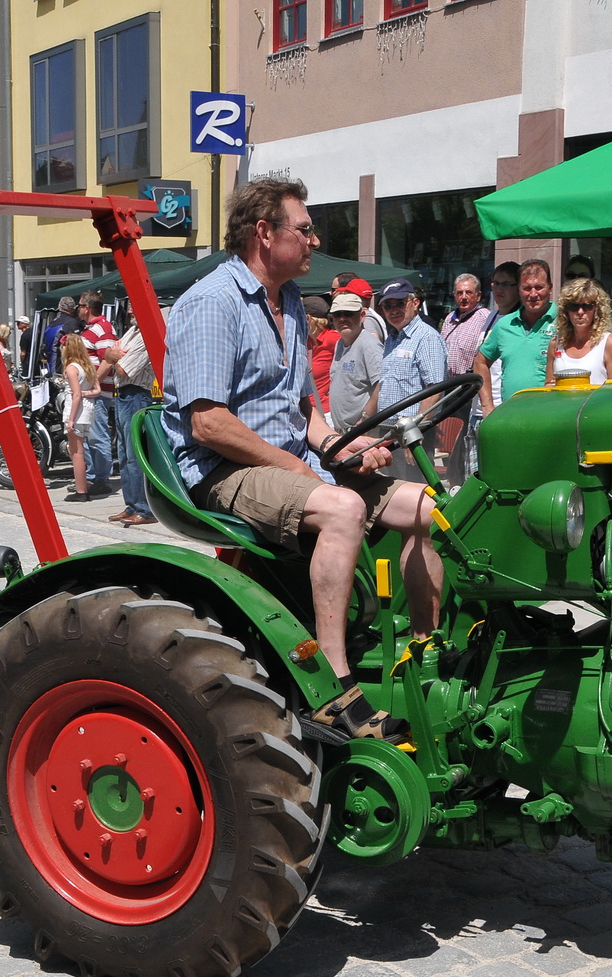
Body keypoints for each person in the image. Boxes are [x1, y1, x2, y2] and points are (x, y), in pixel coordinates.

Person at [162, 177, 440, 742]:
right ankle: (334, 689)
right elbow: (208, 423)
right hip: (222, 470)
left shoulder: (288, 300)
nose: (315, 241)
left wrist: (341, 445)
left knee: (424, 507)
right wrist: (298, 469)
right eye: (306, 229)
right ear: (265, 233)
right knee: (342, 509)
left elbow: (300, 409)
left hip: (283, 463)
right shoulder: (213, 302)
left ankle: (426, 654)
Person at [374, 278, 447, 479]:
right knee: (393, 490)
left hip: (412, 433)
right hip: (389, 432)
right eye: (388, 306)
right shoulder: (392, 338)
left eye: (400, 303)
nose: (394, 310)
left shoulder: (426, 337)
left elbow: (435, 389)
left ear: (415, 303)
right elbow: (385, 383)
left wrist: (416, 433)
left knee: (416, 490)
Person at [99, 318, 162, 526]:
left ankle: (145, 509)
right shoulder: (132, 330)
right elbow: (108, 355)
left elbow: (124, 369)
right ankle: (132, 505)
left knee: (135, 455)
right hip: (123, 395)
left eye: (133, 305)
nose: (129, 309)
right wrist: (112, 355)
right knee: (124, 454)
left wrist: (113, 356)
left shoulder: (146, 334)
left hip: (137, 395)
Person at [475, 259, 556, 416]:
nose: (533, 294)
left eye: (539, 287)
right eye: (527, 288)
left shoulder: (564, 321)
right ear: (519, 290)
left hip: (552, 417)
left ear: (550, 288)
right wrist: (487, 406)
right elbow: (480, 362)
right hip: (510, 417)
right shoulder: (504, 325)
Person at [439, 273, 492, 485]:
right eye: (459, 292)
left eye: (468, 292)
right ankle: (451, 479)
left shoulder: (485, 317)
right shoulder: (449, 319)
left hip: (469, 386)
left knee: (463, 438)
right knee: (448, 438)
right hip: (449, 386)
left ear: (478, 295)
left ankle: (462, 480)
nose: (463, 297)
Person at [545, 277, 612, 387]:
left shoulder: (609, 343)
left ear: (597, 309)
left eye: (587, 306)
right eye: (574, 306)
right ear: (565, 310)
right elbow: (549, 385)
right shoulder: (555, 344)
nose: (580, 312)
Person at [77, 291, 119, 493]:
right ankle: (92, 477)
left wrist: (94, 384)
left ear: (86, 308)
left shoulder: (103, 328)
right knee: (87, 436)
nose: (77, 309)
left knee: (96, 436)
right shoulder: (92, 329)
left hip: (97, 394)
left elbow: (108, 360)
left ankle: (102, 479)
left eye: (79, 305)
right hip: (89, 392)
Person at [327, 290, 383, 434]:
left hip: (363, 430)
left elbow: (382, 385)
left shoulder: (369, 345)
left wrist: (366, 418)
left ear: (362, 316)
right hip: (343, 431)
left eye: (348, 313)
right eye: (337, 314)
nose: (342, 319)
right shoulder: (340, 344)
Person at [59, 333, 104, 504]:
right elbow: (97, 390)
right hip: (87, 411)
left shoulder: (71, 368)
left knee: (76, 452)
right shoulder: (88, 367)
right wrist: (86, 393)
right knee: (80, 450)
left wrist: (70, 420)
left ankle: (81, 490)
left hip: (75, 411)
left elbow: (76, 394)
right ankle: (83, 487)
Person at [304, 294, 337, 413]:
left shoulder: (332, 338)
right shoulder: (305, 342)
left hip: (326, 411)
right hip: (306, 409)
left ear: (309, 319)